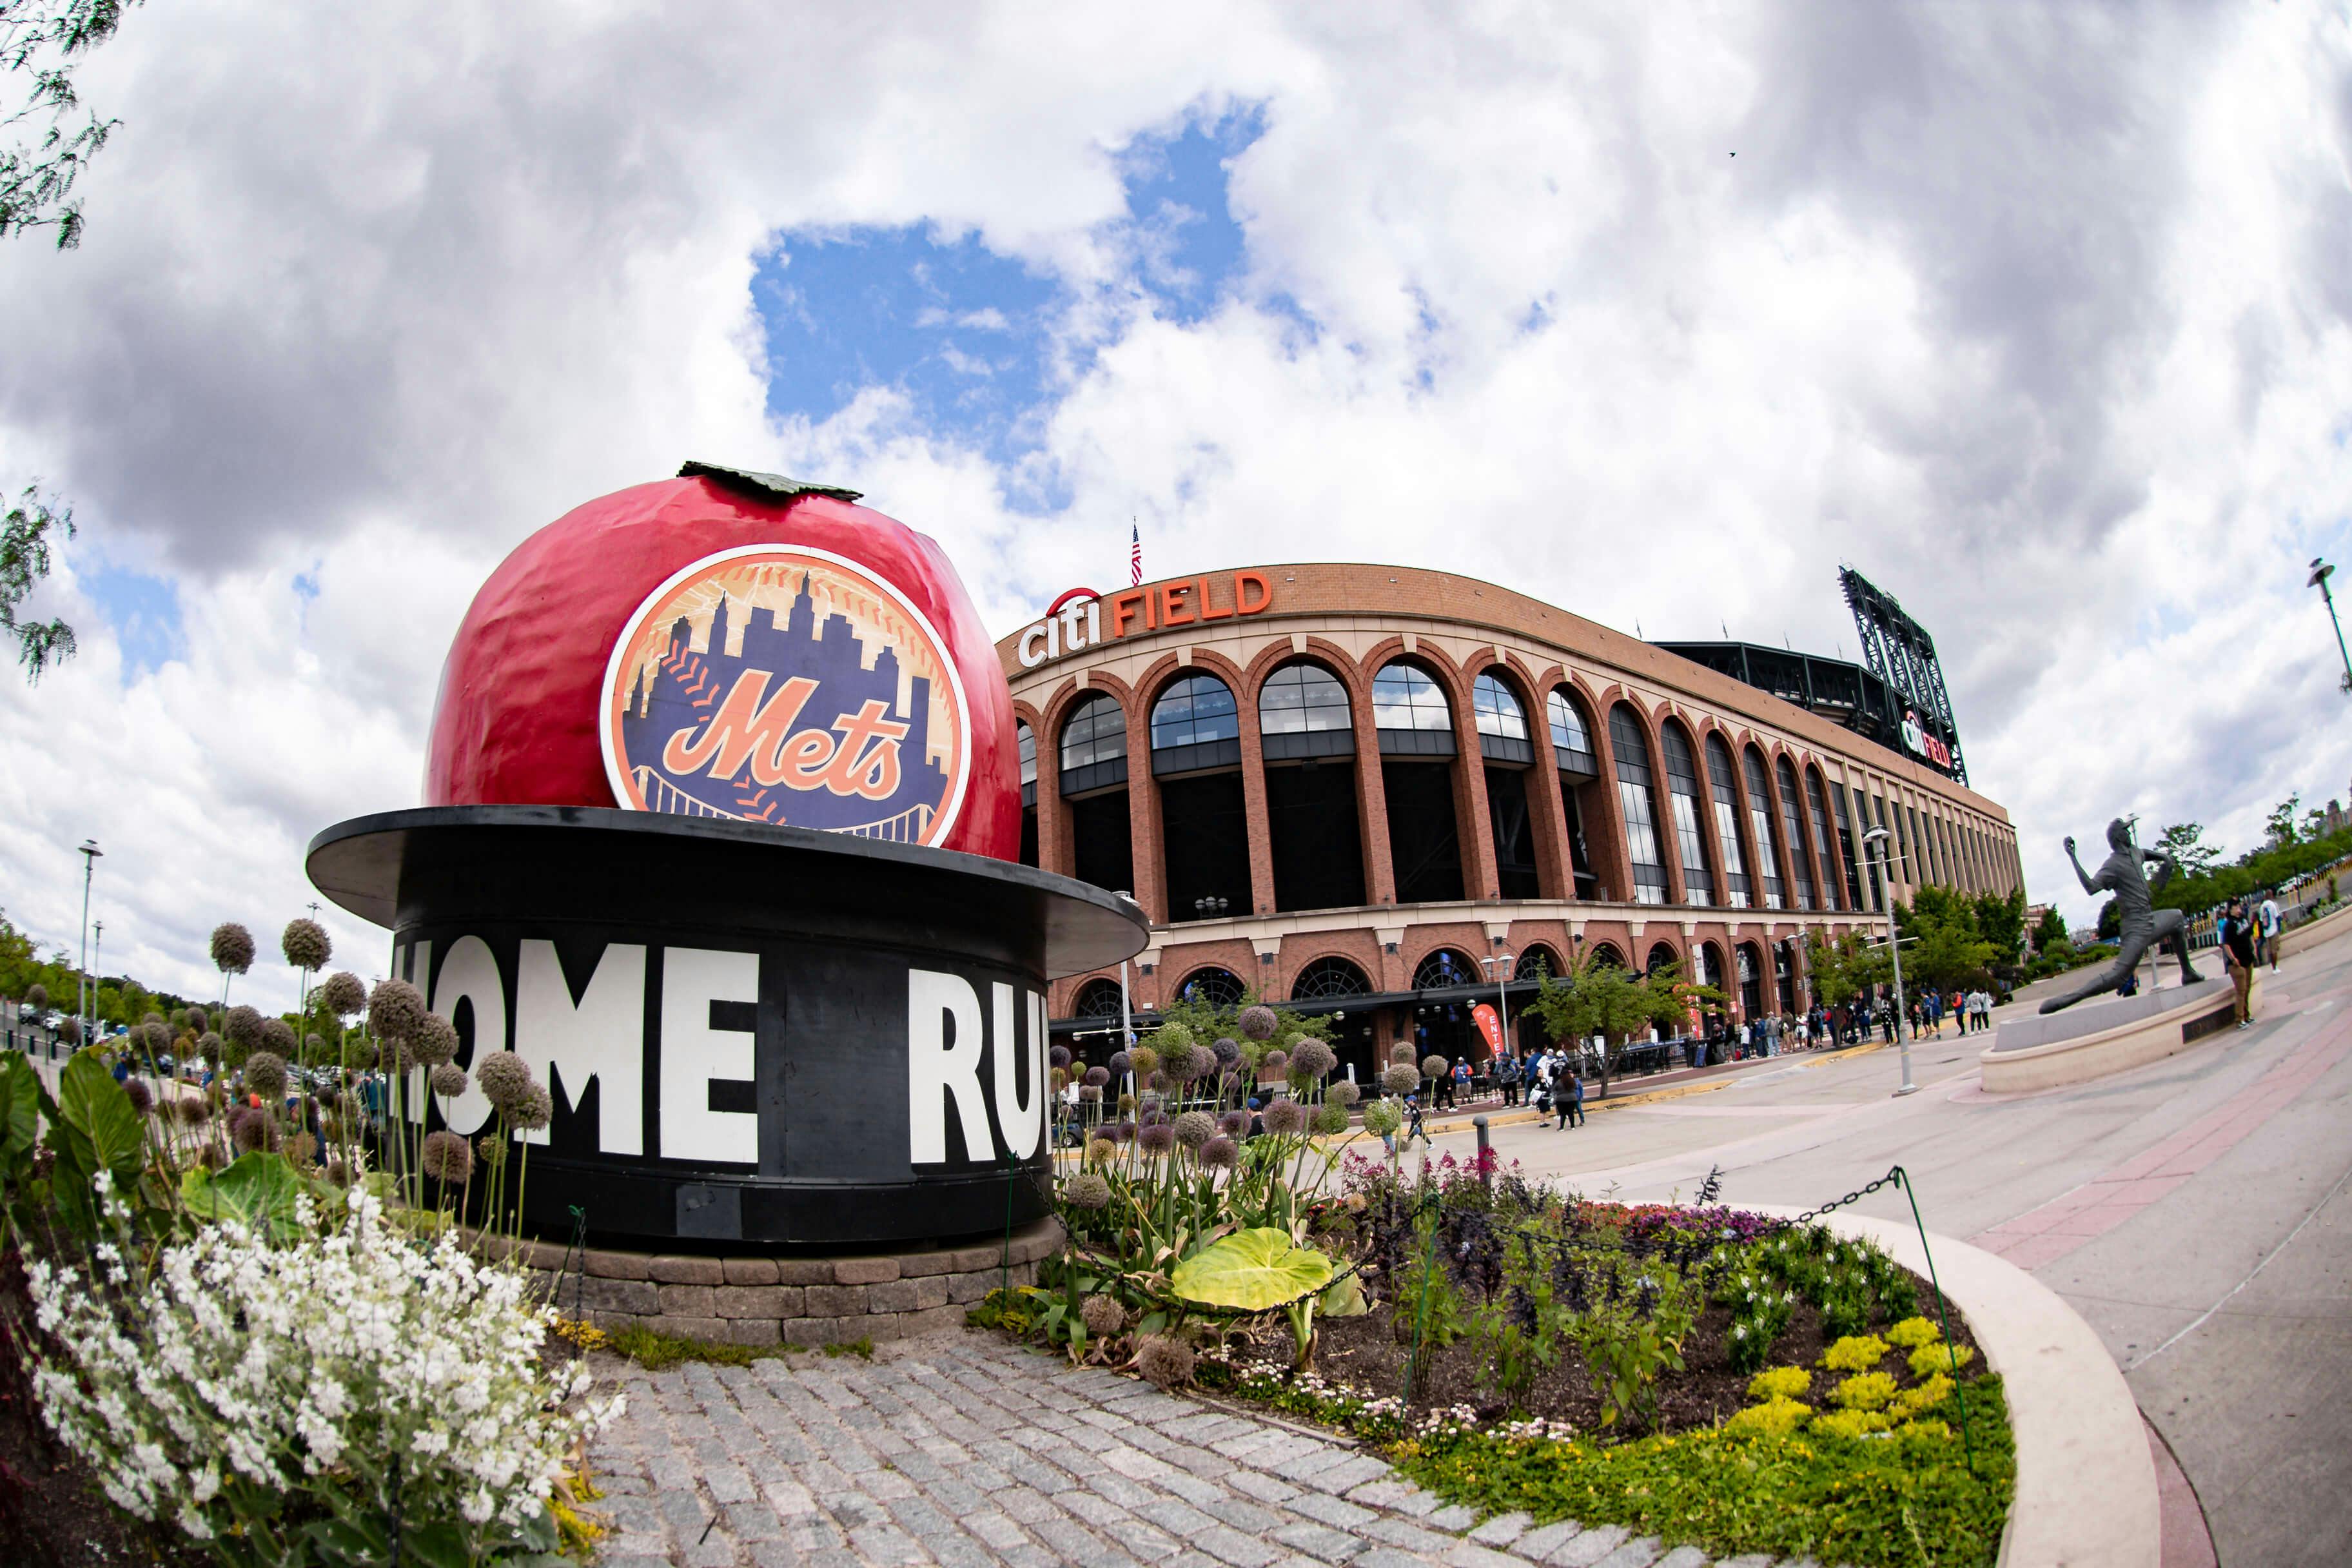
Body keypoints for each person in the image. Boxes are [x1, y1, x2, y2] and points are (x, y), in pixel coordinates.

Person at [2220, 899, 2259, 1030]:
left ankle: (2247, 1015)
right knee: (2241, 991)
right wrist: (2233, 958)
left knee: (2247, 990)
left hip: (2248, 959)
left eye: (2239, 906)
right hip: (2238, 963)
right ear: (2230, 909)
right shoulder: (2229, 925)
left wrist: (2254, 949)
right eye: (2235, 907)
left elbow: (2249, 935)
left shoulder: (2243, 920)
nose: (2238, 909)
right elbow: (2225, 944)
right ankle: (2239, 1019)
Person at [2258, 891, 2282, 970]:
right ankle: (2276, 968)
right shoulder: (2272, 904)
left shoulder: (2262, 907)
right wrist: (2279, 929)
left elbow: (2261, 921)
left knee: (2270, 952)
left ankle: (2273, 967)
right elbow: (2277, 917)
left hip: (2266, 932)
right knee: (2274, 950)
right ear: (2271, 896)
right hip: (2274, 930)